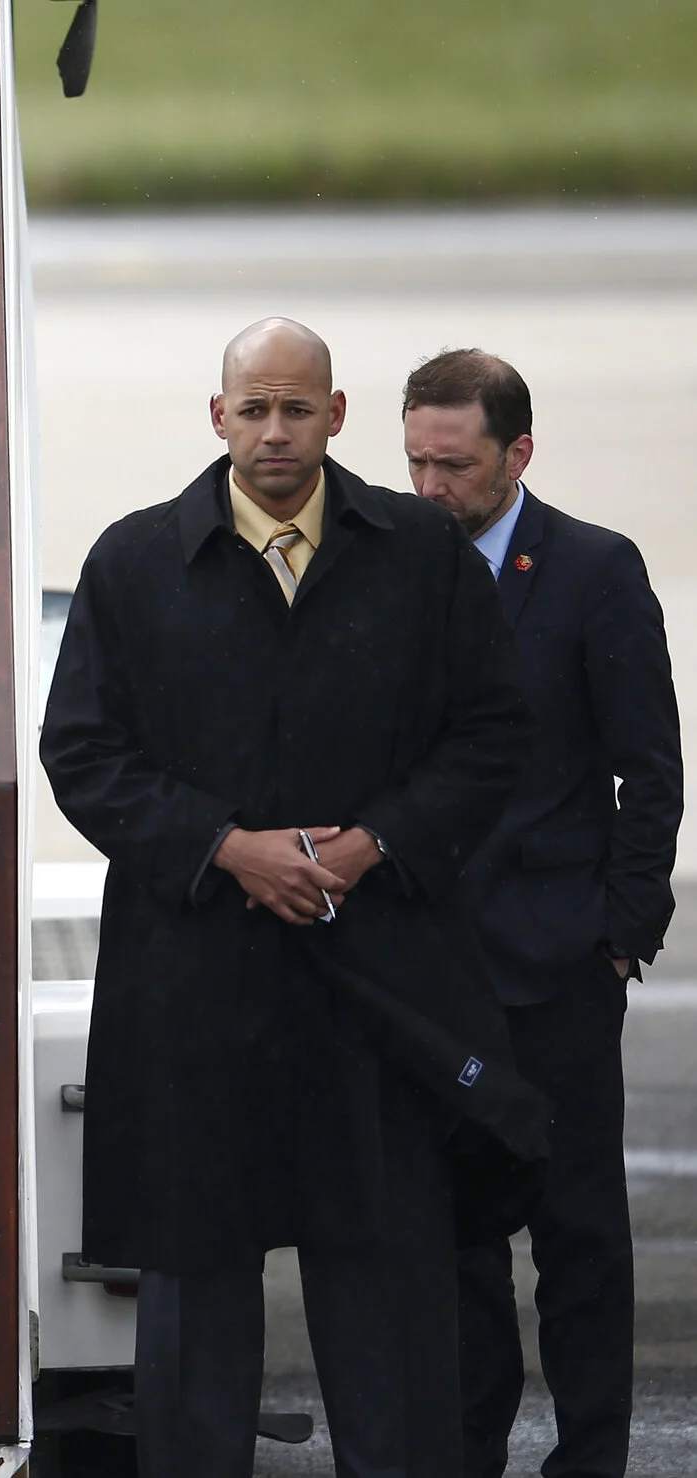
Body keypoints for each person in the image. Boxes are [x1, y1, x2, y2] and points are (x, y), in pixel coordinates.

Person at [40, 318, 543, 1478]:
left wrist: (373, 844)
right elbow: (81, 753)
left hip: (371, 987)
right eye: (253, 408)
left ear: (337, 414)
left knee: (385, 1298)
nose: (275, 430)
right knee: (193, 1298)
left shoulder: (419, 555)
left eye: (297, 409)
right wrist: (226, 848)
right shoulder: (130, 563)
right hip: (195, 986)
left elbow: (492, 735)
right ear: (216, 418)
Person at [402, 350, 681, 1478]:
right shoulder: (383, 565)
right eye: (413, 459)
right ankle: (467, 1448)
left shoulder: (591, 570)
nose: (428, 486)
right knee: (454, 1238)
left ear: (517, 453)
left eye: (453, 465)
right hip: (428, 965)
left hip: (557, 964)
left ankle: (591, 1455)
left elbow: (647, 770)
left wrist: (617, 934)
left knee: (575, 1233)